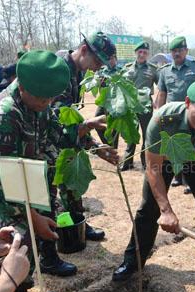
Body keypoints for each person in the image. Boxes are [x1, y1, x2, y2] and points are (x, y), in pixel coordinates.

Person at [0, 50, 103, 292]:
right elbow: (3, 181)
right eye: (42, 97)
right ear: (22, 86)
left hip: (20, 180)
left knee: (27, 241)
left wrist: (90, 138)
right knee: (8, 241)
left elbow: (58, 133)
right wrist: (33, 216)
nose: (47, 103)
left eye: (51, 98)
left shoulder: (39, 103)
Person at [112, 79, 195, 289]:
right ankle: (133, 262)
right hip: (165, 161)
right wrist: (166, 211)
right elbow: (153, 168)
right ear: (188, 102)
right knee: (148, 209)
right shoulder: (163, 119)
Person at [53, 32, 117, 245]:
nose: (99, 67)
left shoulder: (78, 71)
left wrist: (95, 145)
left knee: (73, 184)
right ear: (83, 50)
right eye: (97, 61)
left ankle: (77, 221)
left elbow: (72, 119)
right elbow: (57, 122)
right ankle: (53, 245)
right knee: (49, 190)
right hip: (48, 141)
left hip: (67, 140)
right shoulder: (58, 70)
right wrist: (89, 131)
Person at [157, 36, 195, 194]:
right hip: (171, 116)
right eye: (174, 51)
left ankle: (190, 181)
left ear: (186, 51)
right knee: (173, 147)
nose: (177, 53)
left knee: (190, 146)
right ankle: (177, 175)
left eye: (180, 50)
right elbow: (162, 94)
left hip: (190, 115)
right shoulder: (164, 71)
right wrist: (158, 115)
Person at [120, 41, 159, 171]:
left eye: (145, 52)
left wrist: (157, 100)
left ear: (148, 54)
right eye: (140, 52)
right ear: (136, 52)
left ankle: (145, 162)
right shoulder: (127, 68)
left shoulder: (153, 69)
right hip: (130, 106)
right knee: (131, 133)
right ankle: (127, 162)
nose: (142, 54)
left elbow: (162, 86)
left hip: (145, 107)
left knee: (147, 134)